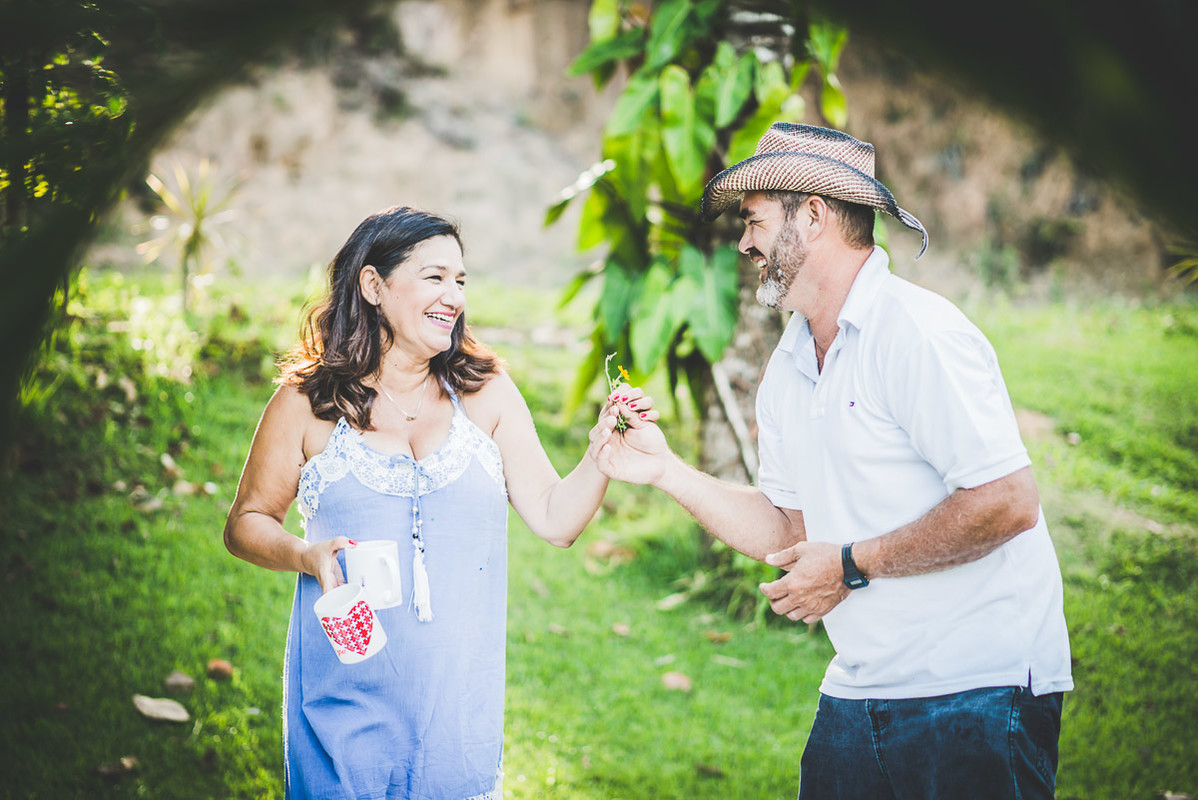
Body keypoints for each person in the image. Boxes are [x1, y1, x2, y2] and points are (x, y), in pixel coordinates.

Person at [594, 123, 1073, 798]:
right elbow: (792, 532)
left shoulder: (918, 334)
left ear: (812, 215)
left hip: (976, 687)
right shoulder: (788, 369)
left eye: (754, 222)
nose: (743, 244)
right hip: (859, 690)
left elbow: (1007, 502)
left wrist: (850, 564)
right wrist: (664, 469)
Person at [223, 205, 657, 799]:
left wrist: (599, 453)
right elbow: (246, 523)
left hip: (457, 720)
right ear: (373, 285)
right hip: (344, 706)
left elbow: (556, 519)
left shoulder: (488, 394)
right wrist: (307, 555)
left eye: (460, 280)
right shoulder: (305, 405)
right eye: (434, 277)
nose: (453, 296)